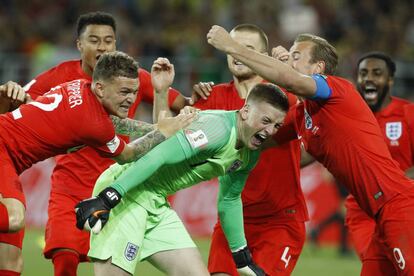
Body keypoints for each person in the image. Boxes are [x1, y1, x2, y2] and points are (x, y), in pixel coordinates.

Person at [206, 26, 414, 275]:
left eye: (296, 56)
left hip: (399, 205)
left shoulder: (337, 89)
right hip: (379, 217)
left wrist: (233, 47)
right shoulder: (300, 115)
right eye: (288, 55)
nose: (286, 59)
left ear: (318, 69)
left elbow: (291, 80)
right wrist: (198, 117)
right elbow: (252, 137)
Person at [9, 11, 187, 276]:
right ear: (79, 45)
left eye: (108, 40)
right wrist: (12, 91)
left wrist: (206, 95)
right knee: (65, 259)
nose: (102, 47)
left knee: (108, 265)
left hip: (117, 187)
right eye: (94, 40)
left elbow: (181, 103)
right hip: (70, 185)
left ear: (116, 44)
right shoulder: (60, 77)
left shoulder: (130, 78)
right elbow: (22, 101)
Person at [75, 83, 289, 276]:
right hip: (127, 193)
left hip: (155, 202)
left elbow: (230, 199)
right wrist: (109, 197)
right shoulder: (217, 130)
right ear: (245, 111)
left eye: (276, 126)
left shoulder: (250, 153)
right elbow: (158, 155)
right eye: (266, 121)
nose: (269, 131)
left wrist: (241, 255)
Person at [184, 24, 308, 276]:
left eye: (247, 49)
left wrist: (292, 72)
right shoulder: (211, 97)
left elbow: (317, 115)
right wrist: (164, 93)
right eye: (233, 46)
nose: (237, 53)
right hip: (232, 219)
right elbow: (175, 137)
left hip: (279, 221)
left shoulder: (286, 96)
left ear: (262, 56)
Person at [345, 52, 414, 263]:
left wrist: (399, 180)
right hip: (362, 209)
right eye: (363, 73)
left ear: (390, 80)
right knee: (375, 264)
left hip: (399, 204)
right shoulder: (349, 115)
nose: (369, 79)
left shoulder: (407, 113)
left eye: (377, 73)